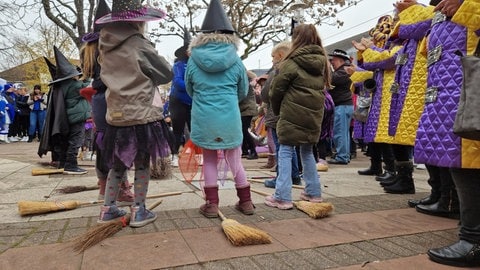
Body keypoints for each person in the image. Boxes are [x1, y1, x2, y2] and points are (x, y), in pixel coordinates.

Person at [394, 0, 480, 266]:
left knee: (468, 157)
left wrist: (467, 7)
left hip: (465, 83)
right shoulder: (440, 12)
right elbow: (422, 47)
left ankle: (474, 239)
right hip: (450, 87)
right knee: (458, 157)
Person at [95, 0, 173, 227]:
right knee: (141, 163)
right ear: (138, 21)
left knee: (117, 164)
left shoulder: (104, 46)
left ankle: (108, 209)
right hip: (141, 114)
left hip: (116, 115)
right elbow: (165, 73)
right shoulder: (139, 44)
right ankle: (139, 210)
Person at [185, 0, 253, 218]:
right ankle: (246, 202)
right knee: (235, 160)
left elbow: (190, 89)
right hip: (230, 117)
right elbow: (243, 90)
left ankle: (212, 205)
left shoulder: (194, 60)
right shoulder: (236, 60)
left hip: (204, 117)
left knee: (210, 160)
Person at [265, 23, 330, 210]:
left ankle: (282, 196)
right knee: (308, 152)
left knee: (285, 151)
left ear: (296, 39)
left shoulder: (291, 62)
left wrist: (277, 110)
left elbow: (276, 90)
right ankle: (313, 192)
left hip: (292, 113)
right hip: (314, 114)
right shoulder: (322, 62)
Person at [79, 0, 134, 205]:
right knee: (121, 145)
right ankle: (121, 189)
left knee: (103, 144)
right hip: (115, 98)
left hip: (99, 100)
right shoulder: (111, 48)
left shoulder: (88, 51)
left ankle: (105, 188)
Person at [260, 41, 303, 188]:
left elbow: (266, 95)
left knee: (281, 149)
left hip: (276, 114)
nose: (272, 60)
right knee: (291, 147)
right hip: (292, 113)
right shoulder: (299, 69)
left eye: (273, 57)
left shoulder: (277, 71)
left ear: (280, 55)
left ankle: (282, 177)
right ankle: (295, 175)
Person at [48, 46, 91, 174]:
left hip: (68, 117)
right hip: (76, 117)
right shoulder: (73, 85)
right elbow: (87, 86)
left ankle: (63, 162)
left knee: (67, 140)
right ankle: (71, 164)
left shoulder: (61, 86)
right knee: (76, 141)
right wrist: (87, 74)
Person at [169, 28, 192, 167]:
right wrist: (192, 87)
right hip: (177, 101)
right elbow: (177, 82)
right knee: (177, 129)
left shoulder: (197, 65)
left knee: (194, 129)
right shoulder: (178, 65)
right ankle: (173, 155)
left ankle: (194, 153)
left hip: (191, 101)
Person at [327, 49, 354, 165]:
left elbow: (330, 80)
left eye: (333, 60)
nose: (332, 62)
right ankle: (344, 155)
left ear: (340, 60)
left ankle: (342, 156)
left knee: (340, 132)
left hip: (342, 106)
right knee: (344, 132)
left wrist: (327, 69)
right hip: (344, 105)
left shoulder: (343, 71)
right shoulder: (343, 70)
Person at [240, 71, 259, 160]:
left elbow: (241, 96)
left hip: (247, 109)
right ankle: (244, 150)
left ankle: (253, 150)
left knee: (245, 130)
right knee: (243, 130)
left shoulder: (245, 84)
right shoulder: (245, 84)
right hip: (245, 109)